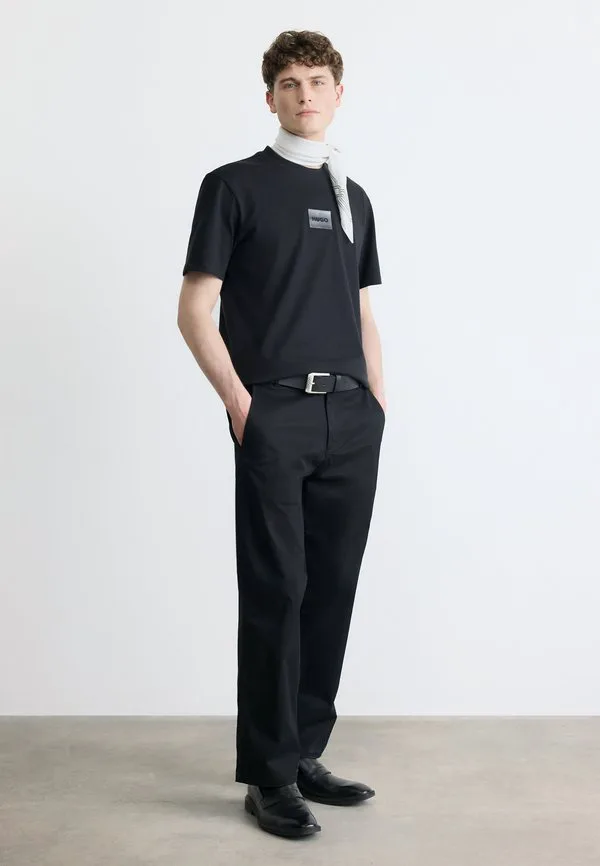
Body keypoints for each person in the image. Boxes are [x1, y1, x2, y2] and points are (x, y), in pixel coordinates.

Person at [177, 29, 386, 839]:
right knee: (278, 591)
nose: (305, 95)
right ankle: (267, 776)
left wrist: (376, 402)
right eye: (291, 83)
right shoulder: (233, 186)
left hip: (351, 418)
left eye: (318, 82)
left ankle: (303, 753)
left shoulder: (354, 195)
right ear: (270, 97)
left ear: (339, 94)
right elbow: (196, 308)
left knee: (332, 587)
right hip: (275, 413)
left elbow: (362, 309)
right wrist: (241, 404)